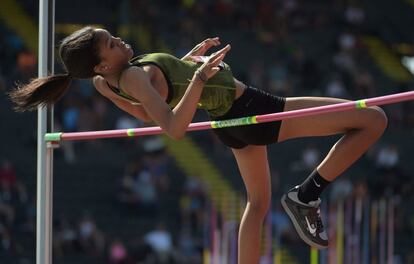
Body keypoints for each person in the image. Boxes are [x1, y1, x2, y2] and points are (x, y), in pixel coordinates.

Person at [9, 27, 388, 263]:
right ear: (100, 65)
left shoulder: (104, 83)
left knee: (257, 204)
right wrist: (201, 78)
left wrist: (188, 63)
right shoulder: (134, 76)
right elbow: (174, 127)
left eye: (111, 35)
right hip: (251, 108)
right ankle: (307, 194)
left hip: (227, 123)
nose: (118, 40)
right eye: (110, 43)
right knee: (373, 119)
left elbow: (150, 110)